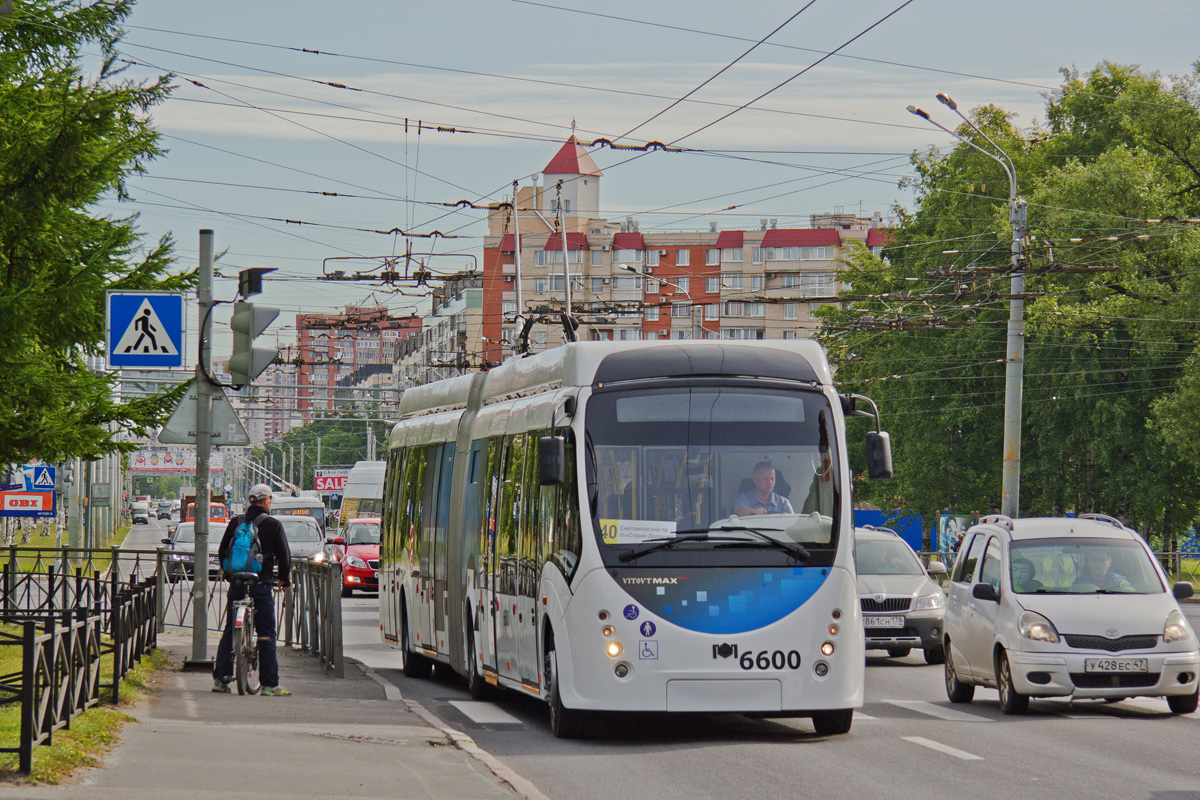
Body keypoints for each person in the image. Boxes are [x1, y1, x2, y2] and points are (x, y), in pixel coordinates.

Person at [213, 484, 292, 696]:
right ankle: (269, 685)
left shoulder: (236, 522)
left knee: (230, 629)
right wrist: (284, 579)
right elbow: (284, 556)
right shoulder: (272, 524)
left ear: (250, 502)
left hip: (237, 583)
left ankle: (220, 679)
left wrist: (231, 575)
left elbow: (222, 551)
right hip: (261, 584)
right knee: (266, 633)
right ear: (266, 501)